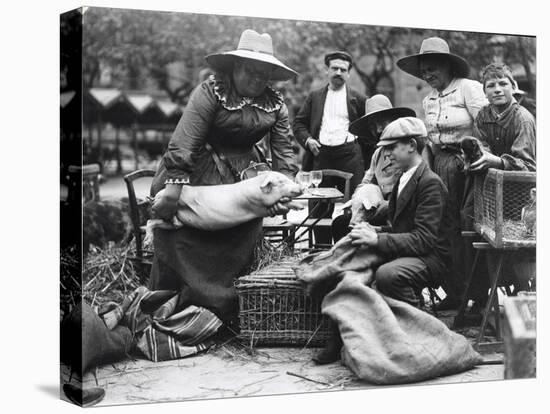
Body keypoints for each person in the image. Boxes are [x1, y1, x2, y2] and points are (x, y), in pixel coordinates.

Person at [149, 29, 299, 328]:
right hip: (197, 170)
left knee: (241, 232)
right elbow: (185, 139)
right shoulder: (211, 91)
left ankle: (229, 310)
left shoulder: (275, 104)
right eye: (250, 71)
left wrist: (283, 190)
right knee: (186, 233)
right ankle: (181, 304)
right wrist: (173, 189)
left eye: (264, 73)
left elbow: (285, 152)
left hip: (242, 179)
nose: (257, 79)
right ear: (234, 67)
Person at [315, 117, 452, 364]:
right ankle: (340, 338)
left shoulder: (430, 183)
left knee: (388, 274)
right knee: (346, 267)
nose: (386, 154)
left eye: (392, 147)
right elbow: (400, 227)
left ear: (411, 145)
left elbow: (425, 239)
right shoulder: (404, 178)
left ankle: (418, 334)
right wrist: (372, 230)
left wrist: (377, 239)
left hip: (431, 259)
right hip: (410, 250)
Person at [396, 37, 488, 311]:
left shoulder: (467, 89)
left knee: (468, 228)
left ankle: (480, 295)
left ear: (448, 66)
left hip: (469, 167)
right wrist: (422, 172)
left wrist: (481, 158)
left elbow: (486, 126)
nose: (428, 75)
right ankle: (456, 291)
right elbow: (431, 142)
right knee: (443, 230)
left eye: (433, 68)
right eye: (424, 71)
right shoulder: (429, 100)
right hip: (440, 166)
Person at [463, 62, 536, 314]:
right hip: (489, 193)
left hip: (518, 195)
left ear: (513, 87)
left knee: (515, 250)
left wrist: (497, 161)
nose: (497, 89)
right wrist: (478, 155)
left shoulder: (522, 118)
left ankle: (520, 299)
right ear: (484, 91)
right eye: (490, 85)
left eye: (503, 84)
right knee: (468, 226)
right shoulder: (483, 115)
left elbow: (527, 167)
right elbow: (479, 147)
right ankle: (477, 297)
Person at [292, 51, 367, 244]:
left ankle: (347, 249)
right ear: (327, 71)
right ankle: (320, 251)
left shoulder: (358, 98)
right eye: (334, 68)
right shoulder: (315, 97)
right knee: (318, 207)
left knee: (355, 205)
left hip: (349, 156)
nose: (339, 72)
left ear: (349, 74)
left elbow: (368, 129)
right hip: (321, 155)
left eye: (343, 69)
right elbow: (299, 123)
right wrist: (308, 140)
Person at [331, 94, 416, 241]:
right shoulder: (378, 154)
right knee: (340, 224)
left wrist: (388, 205)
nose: (378, 129)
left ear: (394, 121)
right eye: (373, 125)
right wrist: (359, 201)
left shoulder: (408, 150)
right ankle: (349, 261)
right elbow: (366, 183)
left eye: (382, 122)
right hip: (376, 210)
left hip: (403, 211)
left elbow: (417, 190)